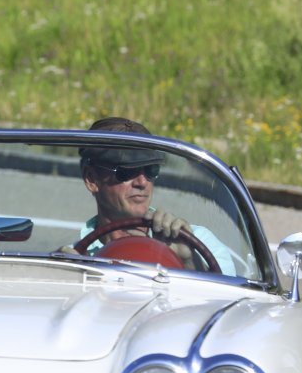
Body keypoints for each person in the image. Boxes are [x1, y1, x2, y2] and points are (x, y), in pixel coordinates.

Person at [74, 116, 241, 274]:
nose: (142, 182)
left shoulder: (199, 242)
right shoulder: (76, 258)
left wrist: (188, 261)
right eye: (127, 171)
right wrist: (66, 273)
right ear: (92, 180)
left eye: (151, 170)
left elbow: (229, 293)